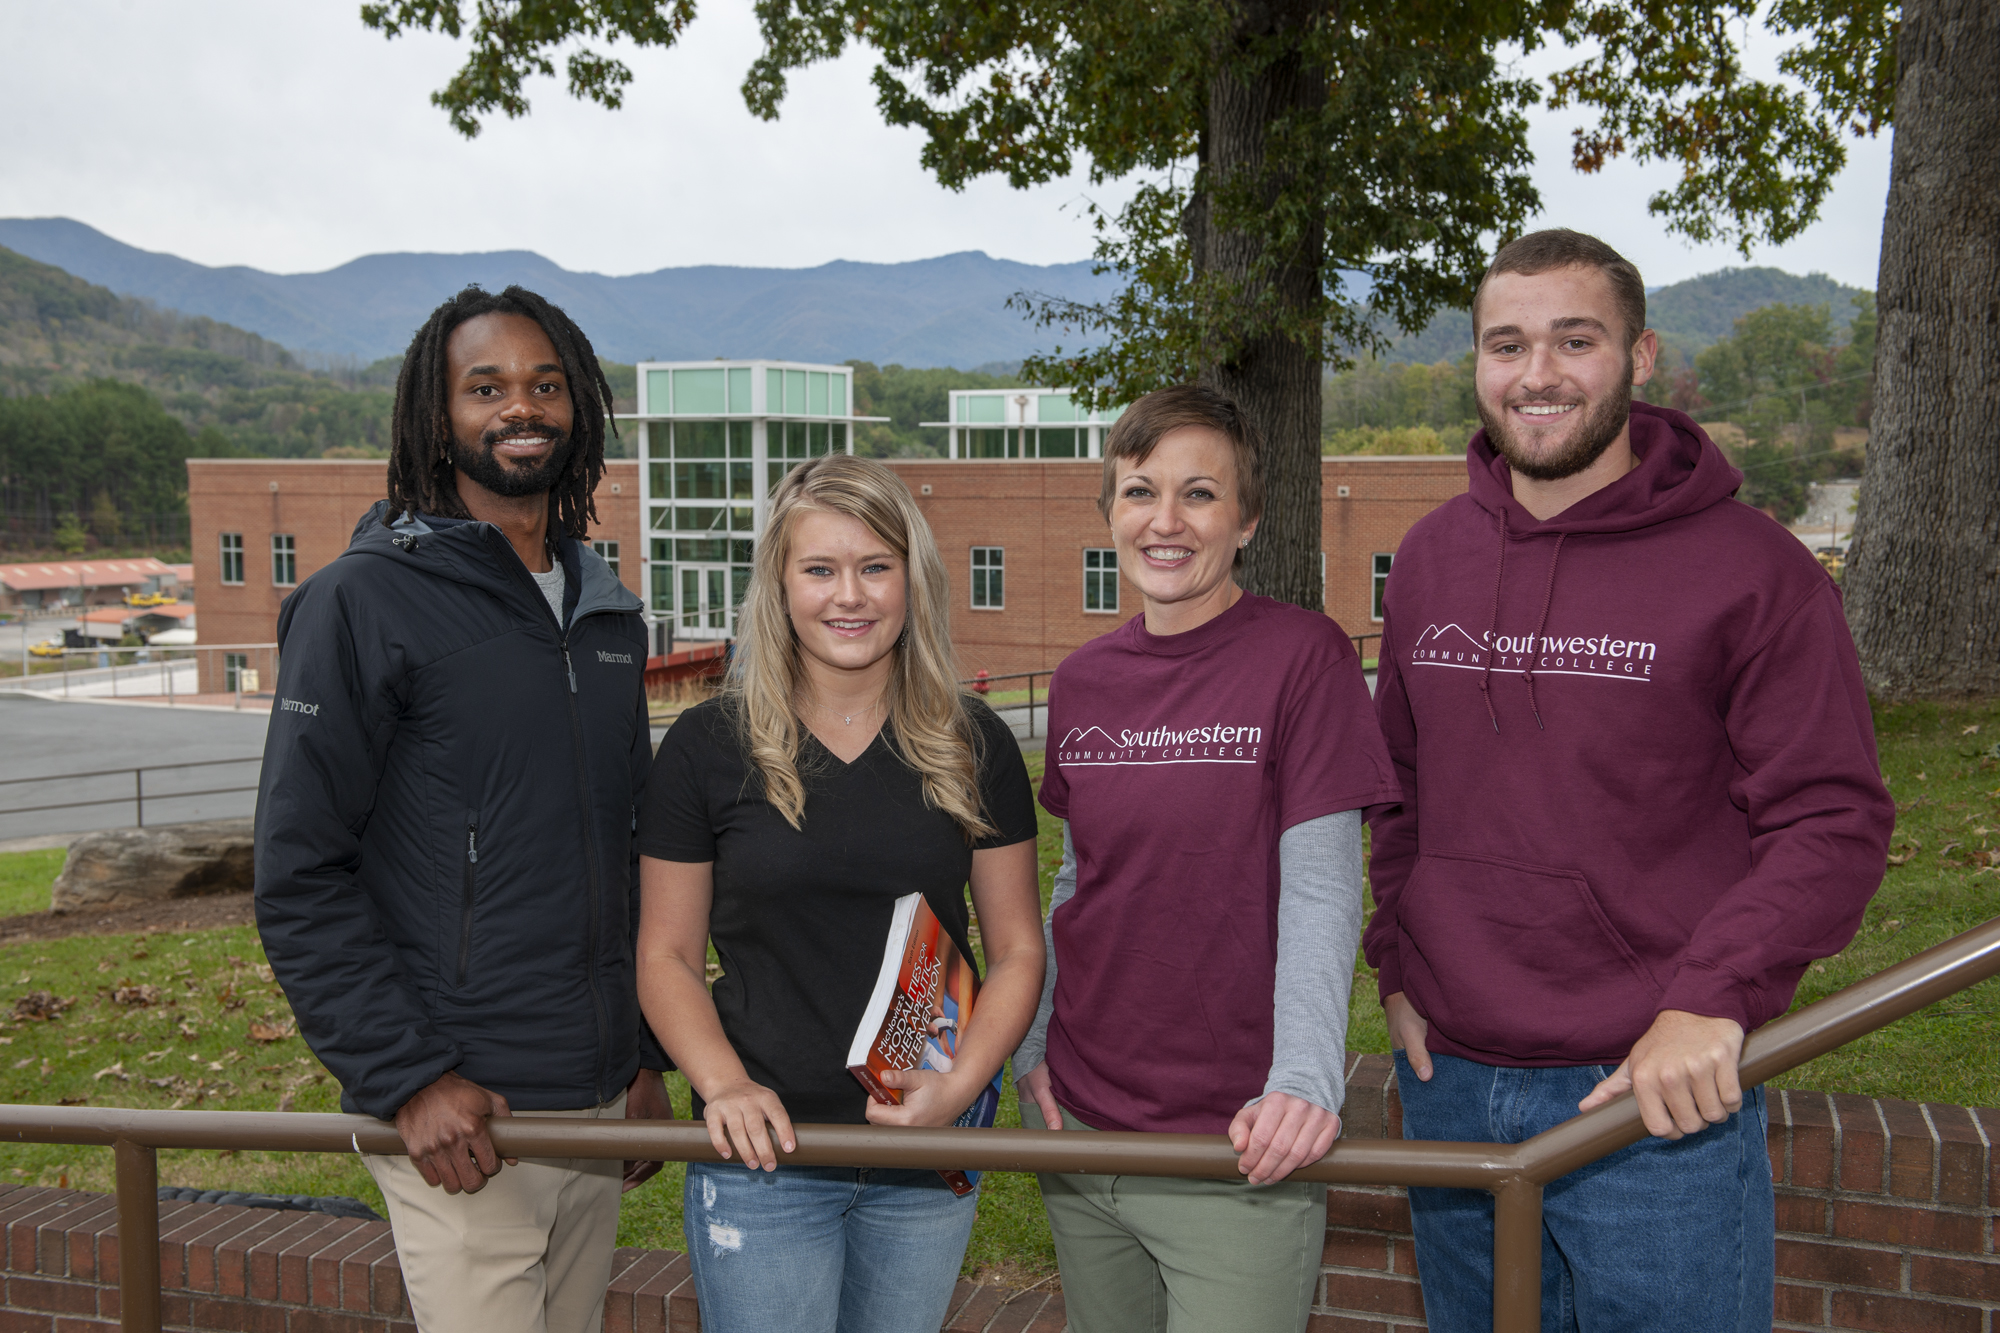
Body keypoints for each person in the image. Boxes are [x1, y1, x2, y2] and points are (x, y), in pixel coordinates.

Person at [1364, 229, 1895, 1331]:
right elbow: (1400, 787)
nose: (1536, 374)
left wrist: (1714, 993)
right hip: (1449, 1075)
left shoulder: (1753, 571)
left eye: (1574, 339)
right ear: (1472, 361)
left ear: (1639, 355)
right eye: (1504, 344)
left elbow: (1831, 819)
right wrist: (1396, 961)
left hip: (1647, 1088)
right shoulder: (1428, 558)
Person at [254, 285, 673, 1333]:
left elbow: (629, 853)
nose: (518, 408)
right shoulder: (360, 600)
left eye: (544, 384)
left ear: (579, 405)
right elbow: (300, 872)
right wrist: (406, 1078)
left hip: (596, 1102)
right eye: (483, 387)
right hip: (460, 1111)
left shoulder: (608, 611)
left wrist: (642, 1057)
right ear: (436, 418)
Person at [1013, 385, 1403, 1333]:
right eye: (1141, 490)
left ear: (1248, 518)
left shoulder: (1301, 657)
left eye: (1200, 493)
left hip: (1236, 1139)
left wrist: (1303, 1081)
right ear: (1110, 511)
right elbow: (1079, 878)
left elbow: (1321, 886)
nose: (1166, 520)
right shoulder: (1083, 681)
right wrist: (1031, 1047)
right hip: (1080, 1123)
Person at [634, 453, 1044, 1333]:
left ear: (913, 579)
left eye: (875, 566)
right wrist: (725, 1085)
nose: (848, 595)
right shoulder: (707, 747)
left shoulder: (975, 743)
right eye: (819, 568)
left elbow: (1016, 950)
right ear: (779, 584)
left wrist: (961, 1087)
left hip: (925, 1142)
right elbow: (665, 954)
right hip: (764, 1159)